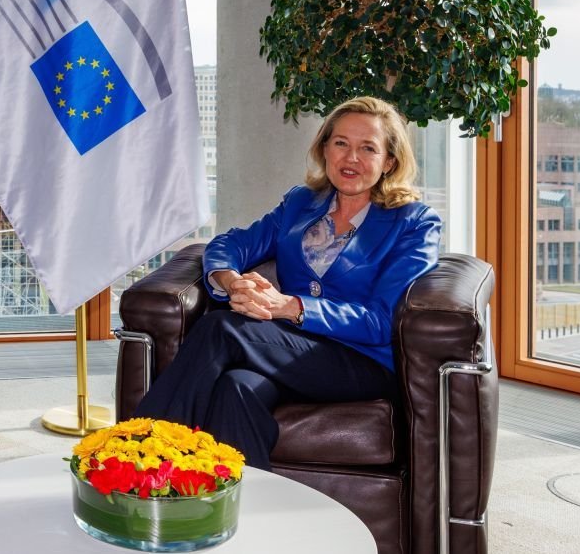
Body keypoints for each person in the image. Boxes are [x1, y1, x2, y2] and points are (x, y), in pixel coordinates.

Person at [134, 96, 441, 469]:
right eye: (341, 143)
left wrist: (289, 307)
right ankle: (243, 515)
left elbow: (381, 322)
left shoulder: (414, 222)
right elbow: (231, 243)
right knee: (236, 390)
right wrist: (232, 282)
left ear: (389, 161)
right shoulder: (301, 203)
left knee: (221, 329)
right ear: (324, 148)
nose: (351, 158)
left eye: (368, 148)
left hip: (361, 361)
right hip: (286, 350)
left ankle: (141, 459)